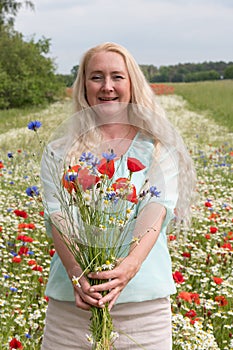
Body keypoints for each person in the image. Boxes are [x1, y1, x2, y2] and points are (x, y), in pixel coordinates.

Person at [40, 42, 196, 349]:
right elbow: (56, 214)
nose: (107, 87)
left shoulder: (157, 147)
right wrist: (76, 273)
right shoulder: (58, 151)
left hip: (143, 312)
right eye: (96, 77)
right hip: (72, 308)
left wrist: (127, 269)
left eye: (117, 77)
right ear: (83, 84)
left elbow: (156, 210)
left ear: (132, 84)